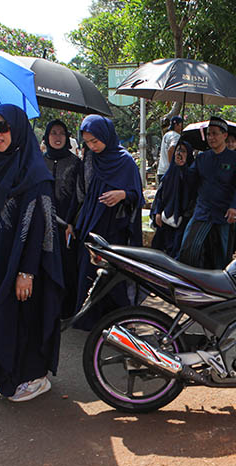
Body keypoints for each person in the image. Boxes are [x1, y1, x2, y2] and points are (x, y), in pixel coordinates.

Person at [0, 104, 64, 402]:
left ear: (18, 129)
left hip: (22, 261)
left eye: (3, 127)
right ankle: (5, 374)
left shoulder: (34, 173)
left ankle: (33, 377)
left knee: (20, 318)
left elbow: (39, 229)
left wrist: (26, 272)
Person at [68, 115, 143, 330]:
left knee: (114, 277)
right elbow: (83, 192)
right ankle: (88, 320)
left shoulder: (125, 160)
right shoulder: (90, 159)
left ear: (106, 137)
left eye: (95, 141)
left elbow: (136, 195)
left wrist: (122, 195)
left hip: (114, 228)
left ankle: (120, 321)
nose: (93, 146)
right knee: (89, 272)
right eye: (88, 142)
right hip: (92, 225)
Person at [178, 117, 236, 269]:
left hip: (224, 214)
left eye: (215, 134)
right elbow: (190, 181)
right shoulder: (202, 157)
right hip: (202, 212)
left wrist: (234, 207)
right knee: (188, 251)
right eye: (209, 134)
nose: (211, 138)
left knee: (221, 256)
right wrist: (183, 165)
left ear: (224, 135)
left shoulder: (235, 160)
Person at [42, 119, 82, 318]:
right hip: (43, 223)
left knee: (66, 267)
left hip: (67, 225)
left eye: (61, 133)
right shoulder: (39, 162)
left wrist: (71, 222)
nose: (57, 137)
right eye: (53, 133)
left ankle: (67, 310)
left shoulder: (75, 163)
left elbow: (79, 196)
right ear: (47, 137)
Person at [150, 140, 194, 258]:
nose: (179, 153)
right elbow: (160, 195)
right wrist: (157, 212)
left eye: (183, 151)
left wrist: (183, 168)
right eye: (178, 150)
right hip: (165, 220)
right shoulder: (169, 174)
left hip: (182, 222)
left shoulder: (191, 174)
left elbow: (190, 194)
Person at [157, 115, 183, 185]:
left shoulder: (166, 135)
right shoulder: (176, 136)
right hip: (169, 172)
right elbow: (171, 149)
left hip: (161, 171)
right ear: (177, 125)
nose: (181, 127)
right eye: (180, 125)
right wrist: (172, 166)